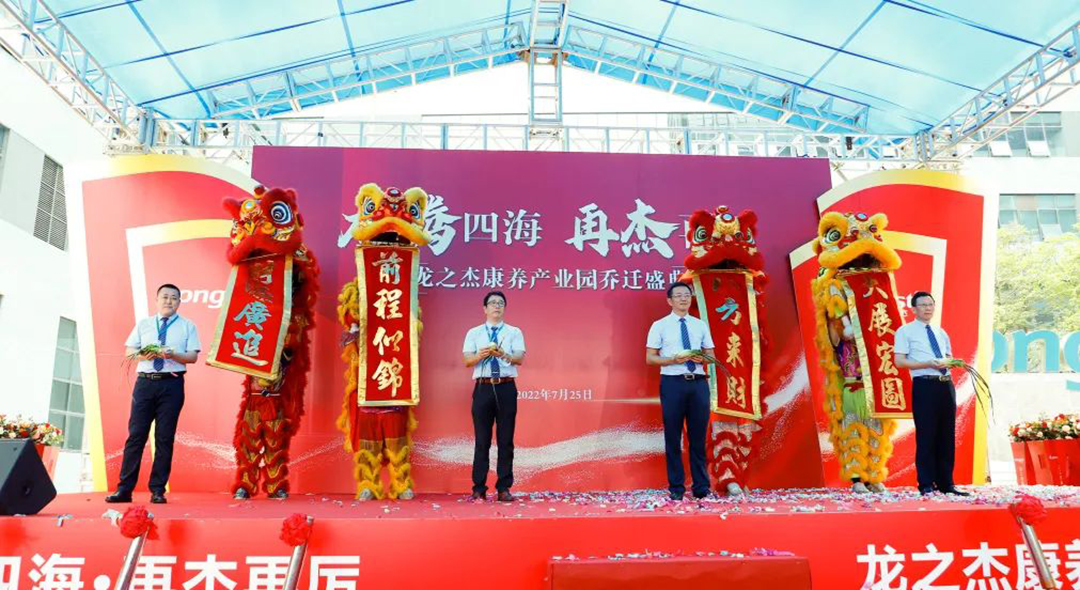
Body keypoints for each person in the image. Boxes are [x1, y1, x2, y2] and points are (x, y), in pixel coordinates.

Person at [106, 284, 201, 504]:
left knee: (164, 438)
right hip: (145, 384)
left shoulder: (188, 326)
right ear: (157, 300)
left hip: (172, 385)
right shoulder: (144, 324)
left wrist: (173, 354)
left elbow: (192, 357)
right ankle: (124, 489)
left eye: (174, 298)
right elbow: (129, 352)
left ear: (179, 302)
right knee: (136, 435)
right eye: (165, 297)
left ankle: (158, 490)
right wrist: (144, 355)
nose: (169, 301)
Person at [894, 291, 968, 497]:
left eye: (931, 304)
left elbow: (948, 357)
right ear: (914, 309)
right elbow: (899, 361)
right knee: (926, 434)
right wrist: (927, 364)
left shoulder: (940, 332)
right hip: (924, 385)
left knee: (947, 434)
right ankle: (926, 483)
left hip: (945, 385)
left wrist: (952, 363)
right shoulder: (905, 331)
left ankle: (947, 483)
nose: (928, 308)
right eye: (923, 305)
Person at [646, 283, 716, 501]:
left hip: (698, 384)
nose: (684, 299)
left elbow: (711, 356)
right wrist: (672, 360)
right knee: (673, 436)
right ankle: (676, 487)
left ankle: (701, 487)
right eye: (678, 296)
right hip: (673, 383)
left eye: (687, 295)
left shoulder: (700, 325)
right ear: (670, 301)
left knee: (698, 437)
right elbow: (650, 358)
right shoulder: (660, 325)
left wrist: (700, 358)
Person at [462, 291, 525, 502]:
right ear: (485, 309)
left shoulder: (514, 332)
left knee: (506, 440)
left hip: (506, 387)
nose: (497, 306)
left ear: (504, 308)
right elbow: (467, 360)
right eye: (492, 303)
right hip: (483, 388)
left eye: (500, 303)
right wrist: (480, 355)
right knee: (482, 440)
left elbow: (519, 358)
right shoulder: (474, 333)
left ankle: (503, 488)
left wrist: (503, 354)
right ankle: (478, 487)